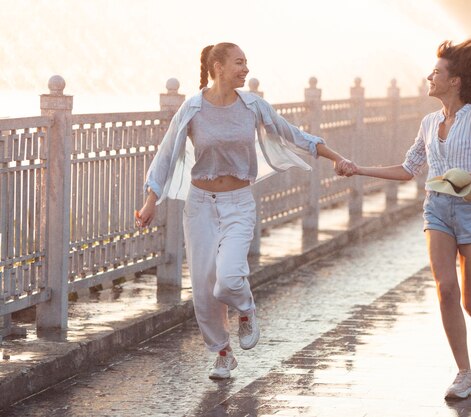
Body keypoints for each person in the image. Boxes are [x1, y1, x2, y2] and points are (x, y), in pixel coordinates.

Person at [136, 42, 351, 380]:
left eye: (246, 62)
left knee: (228, 279)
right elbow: (165, 155)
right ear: (217, 67)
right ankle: (222, 353)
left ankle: (246, 310)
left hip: (238, 203)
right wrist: (151, 199)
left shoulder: (252, 106)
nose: (246, 68)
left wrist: (336, 157)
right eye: (239, 62)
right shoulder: (192, 108)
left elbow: (293, 135)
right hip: (200, 206)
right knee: (205, 288)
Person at [339, 38, 471, 399]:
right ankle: (465, 374)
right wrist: (358, 170)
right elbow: (408, 169)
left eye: (436, 72)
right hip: (436, 209)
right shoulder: (428, 122)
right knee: (446, 289)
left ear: (456, 81)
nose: (429, 77)